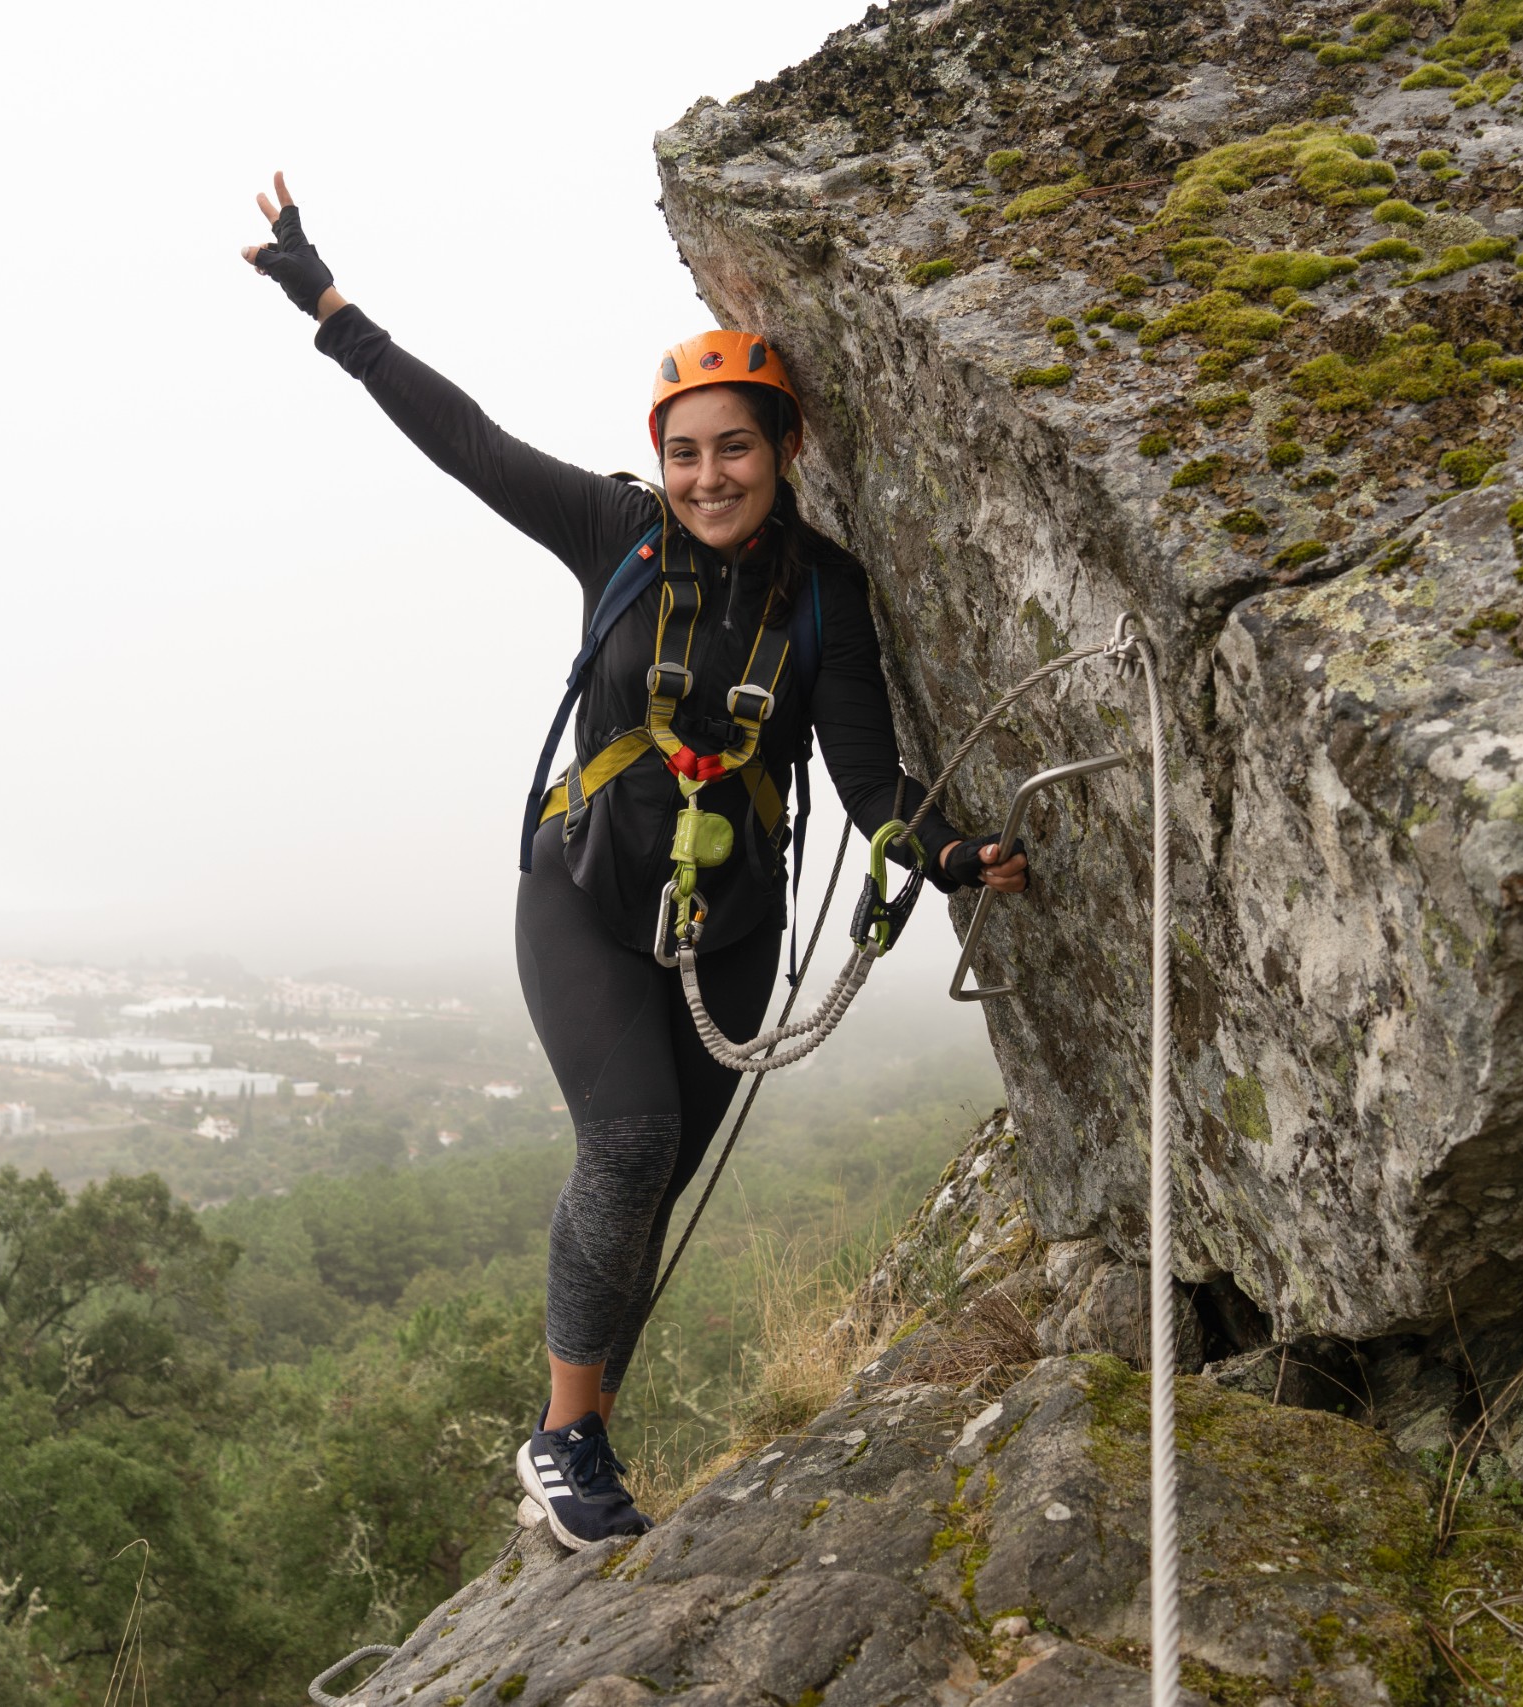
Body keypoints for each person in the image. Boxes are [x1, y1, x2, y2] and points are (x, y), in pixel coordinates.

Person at [244, 173, 1028, 1549]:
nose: (709, 476)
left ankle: (584, 1432)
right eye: (687, 452)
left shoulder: (829, 593)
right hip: (587, 898)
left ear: (781, 449)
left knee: (648, 1187)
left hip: (730, 927)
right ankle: (558, 1441)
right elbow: (467, 441)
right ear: (659, 460)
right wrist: (330, 305)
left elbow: (866, 782)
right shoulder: (618, 533)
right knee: (629, 1140)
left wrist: (950, 851)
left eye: (735, 448)